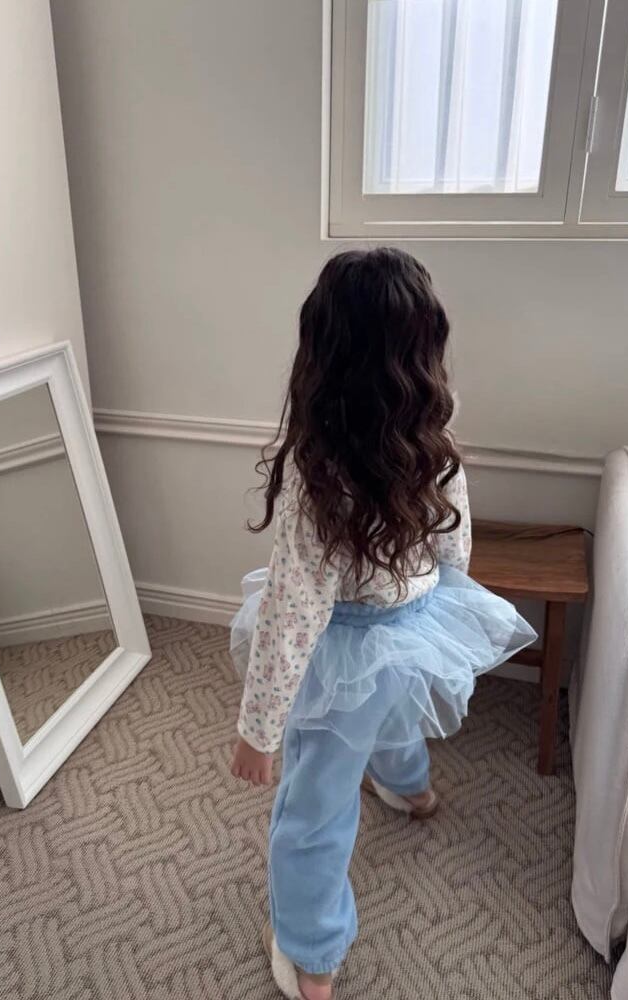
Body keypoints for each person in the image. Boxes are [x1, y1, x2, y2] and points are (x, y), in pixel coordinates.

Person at [230, 248, 536, 1000]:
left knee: (314, 803)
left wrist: (258, 732)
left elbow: (295, 610)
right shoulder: (434, 437)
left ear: (321, 353)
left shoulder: (317, 472)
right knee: (395, 712)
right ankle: (412, 791)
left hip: (344, 643)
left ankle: (312, 955)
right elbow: (454, 539)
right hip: (419, 620)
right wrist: (445, 604)